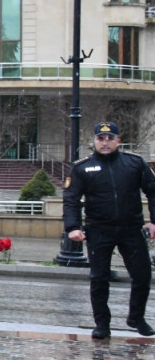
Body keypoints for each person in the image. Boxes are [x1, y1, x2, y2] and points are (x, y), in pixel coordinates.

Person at [63, 121, 155, 338]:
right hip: (98, 229)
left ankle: (136, 318)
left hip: (131, 229)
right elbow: (71, 199)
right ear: (94, 141)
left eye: (110, 138)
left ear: (118, 141)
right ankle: (102, 324)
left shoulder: (134, 163)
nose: (105, 143)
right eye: (100, 139)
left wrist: (153, 221)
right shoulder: (82, 167)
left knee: (142, 275)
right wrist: (73, 227)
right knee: (99, 278)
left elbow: (152, 191)